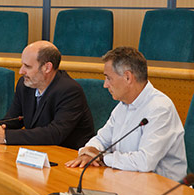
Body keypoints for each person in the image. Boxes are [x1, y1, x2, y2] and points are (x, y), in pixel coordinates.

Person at [66, 47, 186, 182]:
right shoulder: (123, 105)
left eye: (109, 78)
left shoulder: (160, 109)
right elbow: (100, 139)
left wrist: (102, 158)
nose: (105, 85)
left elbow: (144, 162)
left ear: (128, 77)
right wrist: (89, 151)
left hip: (163, 191)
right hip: (128, 180)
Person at [0, 41, 93, 148]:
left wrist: (6, 137)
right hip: (39, 152)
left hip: (68, 157)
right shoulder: (25, 84)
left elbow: (55, 133)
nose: (21, 71)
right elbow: (13, 120)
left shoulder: (70, 91)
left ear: (47, 68)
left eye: (27, 66)